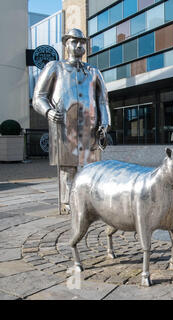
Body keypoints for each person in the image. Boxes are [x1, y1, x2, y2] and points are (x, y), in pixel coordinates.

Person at [32, 29, 111, 214]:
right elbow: (38, 97)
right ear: (65, 44)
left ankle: (89, 201)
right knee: (67, 167)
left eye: (82, 42)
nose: (78, 46)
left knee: (90, 167)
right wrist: (48, 111)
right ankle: (67, 202)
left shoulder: (94, 71)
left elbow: (103, 100)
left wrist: (105, 122)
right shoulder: (55, 67)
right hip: (64, 125)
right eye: (74, 42)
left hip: (90, 126)